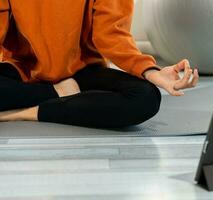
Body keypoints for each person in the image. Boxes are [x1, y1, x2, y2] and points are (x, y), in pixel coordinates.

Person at [0, 0, 199, 128]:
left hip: (85, 72)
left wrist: (152, 72)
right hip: (25, 69)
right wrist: (56, 91)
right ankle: (57, 94)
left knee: (146, 97)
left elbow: (113, 36)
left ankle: (25, 112)